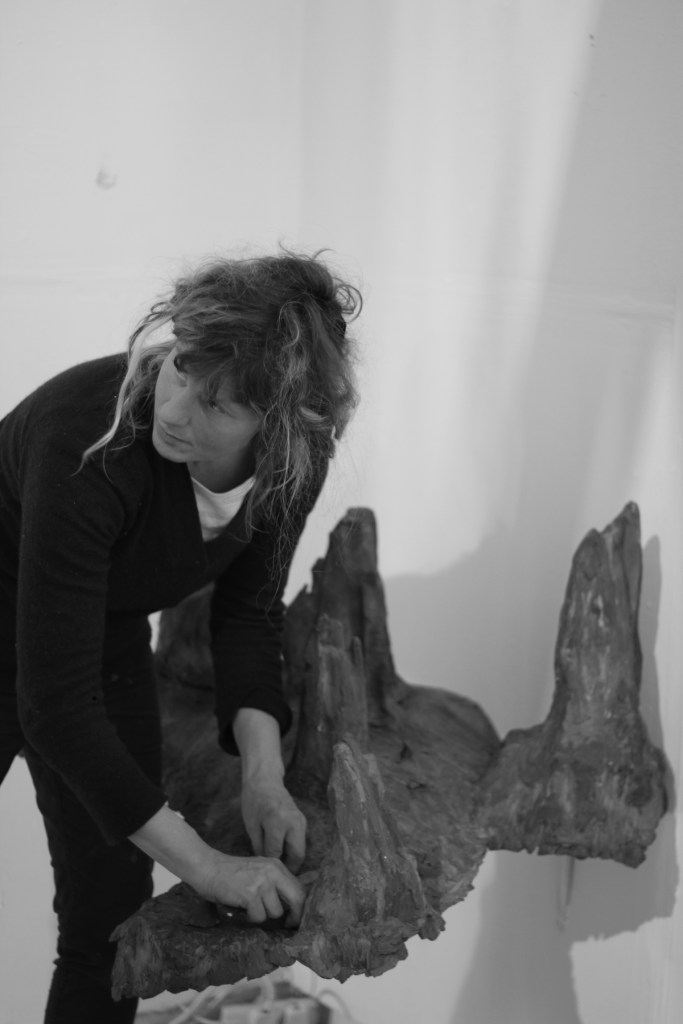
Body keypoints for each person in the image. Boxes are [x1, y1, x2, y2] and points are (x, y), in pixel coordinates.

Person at [0, 249, 360, 1024]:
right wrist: (208, 867)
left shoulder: (295, 459)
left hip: (98, 627)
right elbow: (55, 708)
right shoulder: (85, 438)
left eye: (217, 405)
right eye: (180, 367)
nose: (174, 408)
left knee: (110, 924)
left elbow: (249, 612)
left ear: (278, 424)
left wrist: (262, 777)